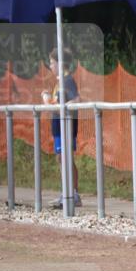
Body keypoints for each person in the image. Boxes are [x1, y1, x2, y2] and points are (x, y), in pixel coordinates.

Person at [41, 48, 81, 207]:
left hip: (66, 124)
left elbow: (75, 100)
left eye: (52, 63)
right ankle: (67, 192)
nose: (50, 66)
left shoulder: (67, 80)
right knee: (61, 157)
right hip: (59, 124)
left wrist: (46, 99)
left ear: (60, 64)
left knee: (65, 157)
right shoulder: (60, 81)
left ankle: (73, 194)